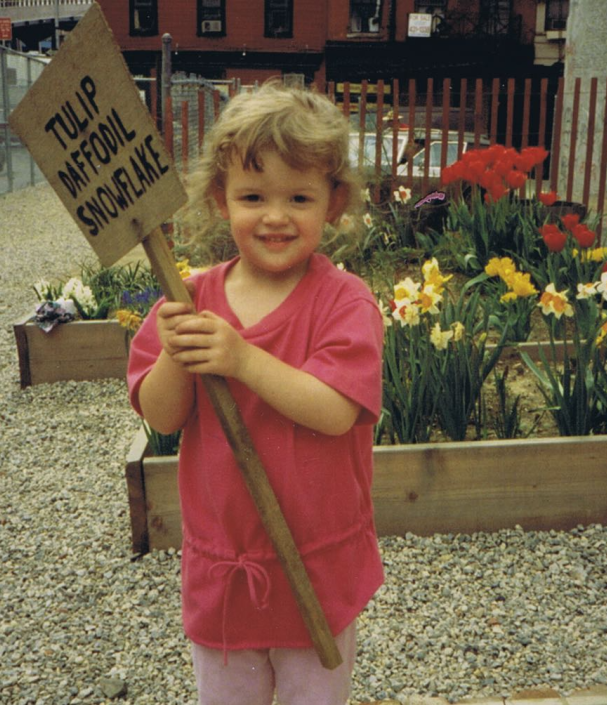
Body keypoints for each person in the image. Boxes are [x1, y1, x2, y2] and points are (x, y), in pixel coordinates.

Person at [126, 82, 384, 704]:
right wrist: (176, 358)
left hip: (315, 566)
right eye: (252, 196)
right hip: (225, 575)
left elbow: (334, 410)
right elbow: (162, 416)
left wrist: (242, 359)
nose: (275, 216)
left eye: (299, 197)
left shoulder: (344, 302)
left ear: (334, 202)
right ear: (220, 200)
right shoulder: (190, 303)